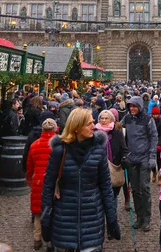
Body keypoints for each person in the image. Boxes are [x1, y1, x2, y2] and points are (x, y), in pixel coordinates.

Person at [41, 108, 120, 252]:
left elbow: (106, 186)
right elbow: (48, 186)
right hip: (64, 220)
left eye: (92, 122)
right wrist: (45, 218)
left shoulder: (98, 149)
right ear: (76, 127)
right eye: (88, 123)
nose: (93, 126)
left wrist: (111, 218)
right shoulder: (60, 151)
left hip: (92, 221)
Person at [121, 95, 158, 232]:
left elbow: (154, 137)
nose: (132, 108)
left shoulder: (148, 120)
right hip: (131, 158)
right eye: (130, 106)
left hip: (144, 157)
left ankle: (147, 218)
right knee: (135, 189)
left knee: (144, 188)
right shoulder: (127, 118)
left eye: (134, 106)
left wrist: (152, 156)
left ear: (140, 107)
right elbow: (119, 129)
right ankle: (139, 216)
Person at [26, 118, 57, 251]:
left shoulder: (34, 145)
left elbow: (29, 167)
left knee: (39, 212)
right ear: (55, 129)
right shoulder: (59, 144)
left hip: (38, 181)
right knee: (54, 211)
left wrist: (30, 180)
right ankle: (51, 240)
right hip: (54, 182)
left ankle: (37, 239)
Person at [95, 109, 128, 212]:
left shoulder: (117, 133)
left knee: (112, 196)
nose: (104, 120)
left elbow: (124, 149)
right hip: (97, 169)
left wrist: (124, 159)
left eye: (106, 118)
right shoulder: (94, 133)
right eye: (102, 118)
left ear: (111, 120)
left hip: (113, 167)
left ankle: (111, 219)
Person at [151, 105, 161, 182]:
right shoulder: (150, 121)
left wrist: (160, 145)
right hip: (151, 144)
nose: (155, 116)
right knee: (152, 161)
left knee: (159, 161)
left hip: (159, 144)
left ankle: (160, 176)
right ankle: (154, 172)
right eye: (154, 114)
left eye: (157, 114)